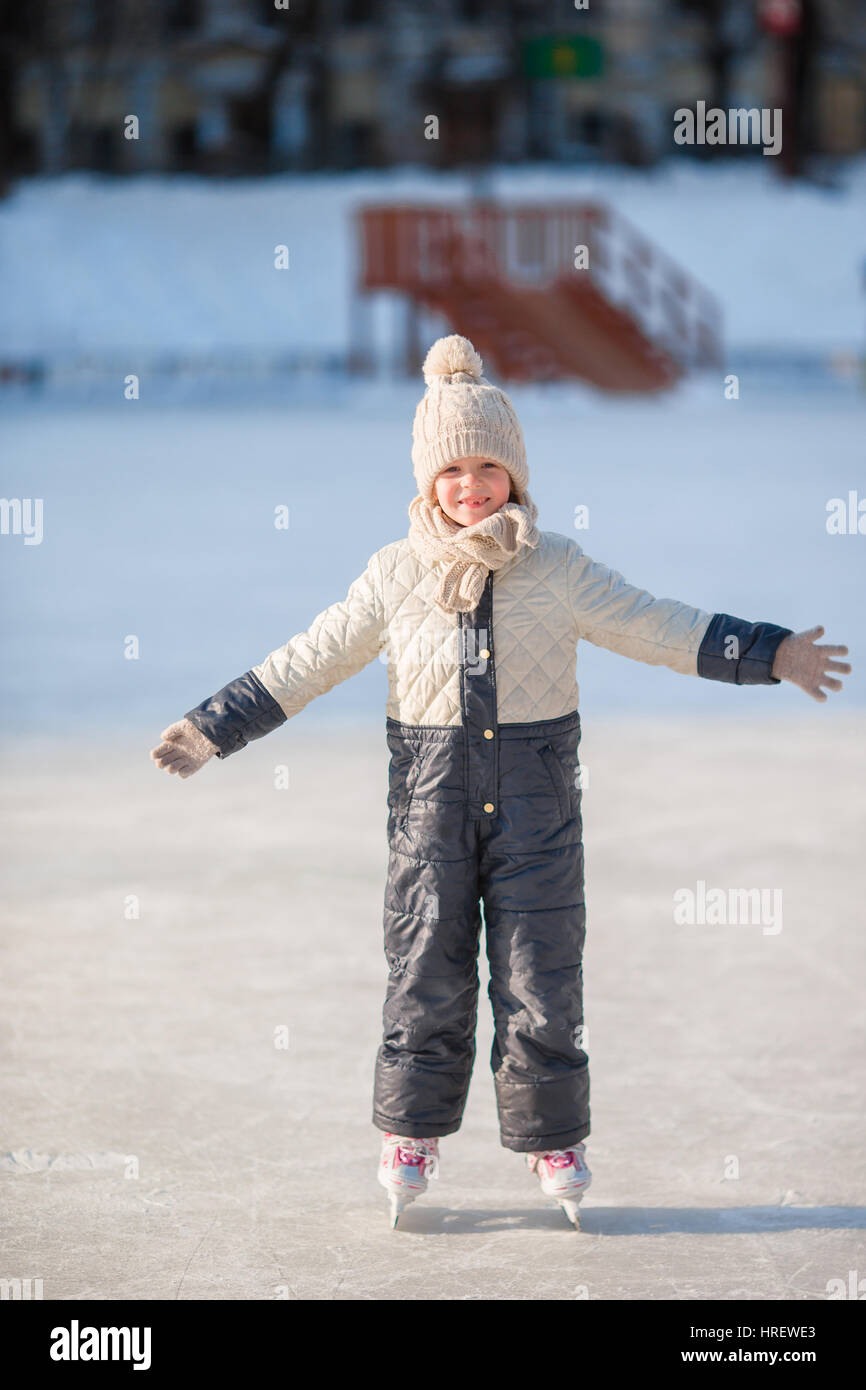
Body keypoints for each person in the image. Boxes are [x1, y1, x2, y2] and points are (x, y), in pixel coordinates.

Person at [150, 334, 851, 1230]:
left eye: (488, 467)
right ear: (427, 481)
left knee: (541, 977)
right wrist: (214, 725)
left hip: (537, 812)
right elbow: (311, 658)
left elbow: (656, 624)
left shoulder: (555, 567)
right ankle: (410, 1134)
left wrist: (769, 652)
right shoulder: (396, 573)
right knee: (424, 973)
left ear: (514, 473)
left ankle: (552, 1140)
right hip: (429, 811)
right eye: (452, 469)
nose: (471, 486)